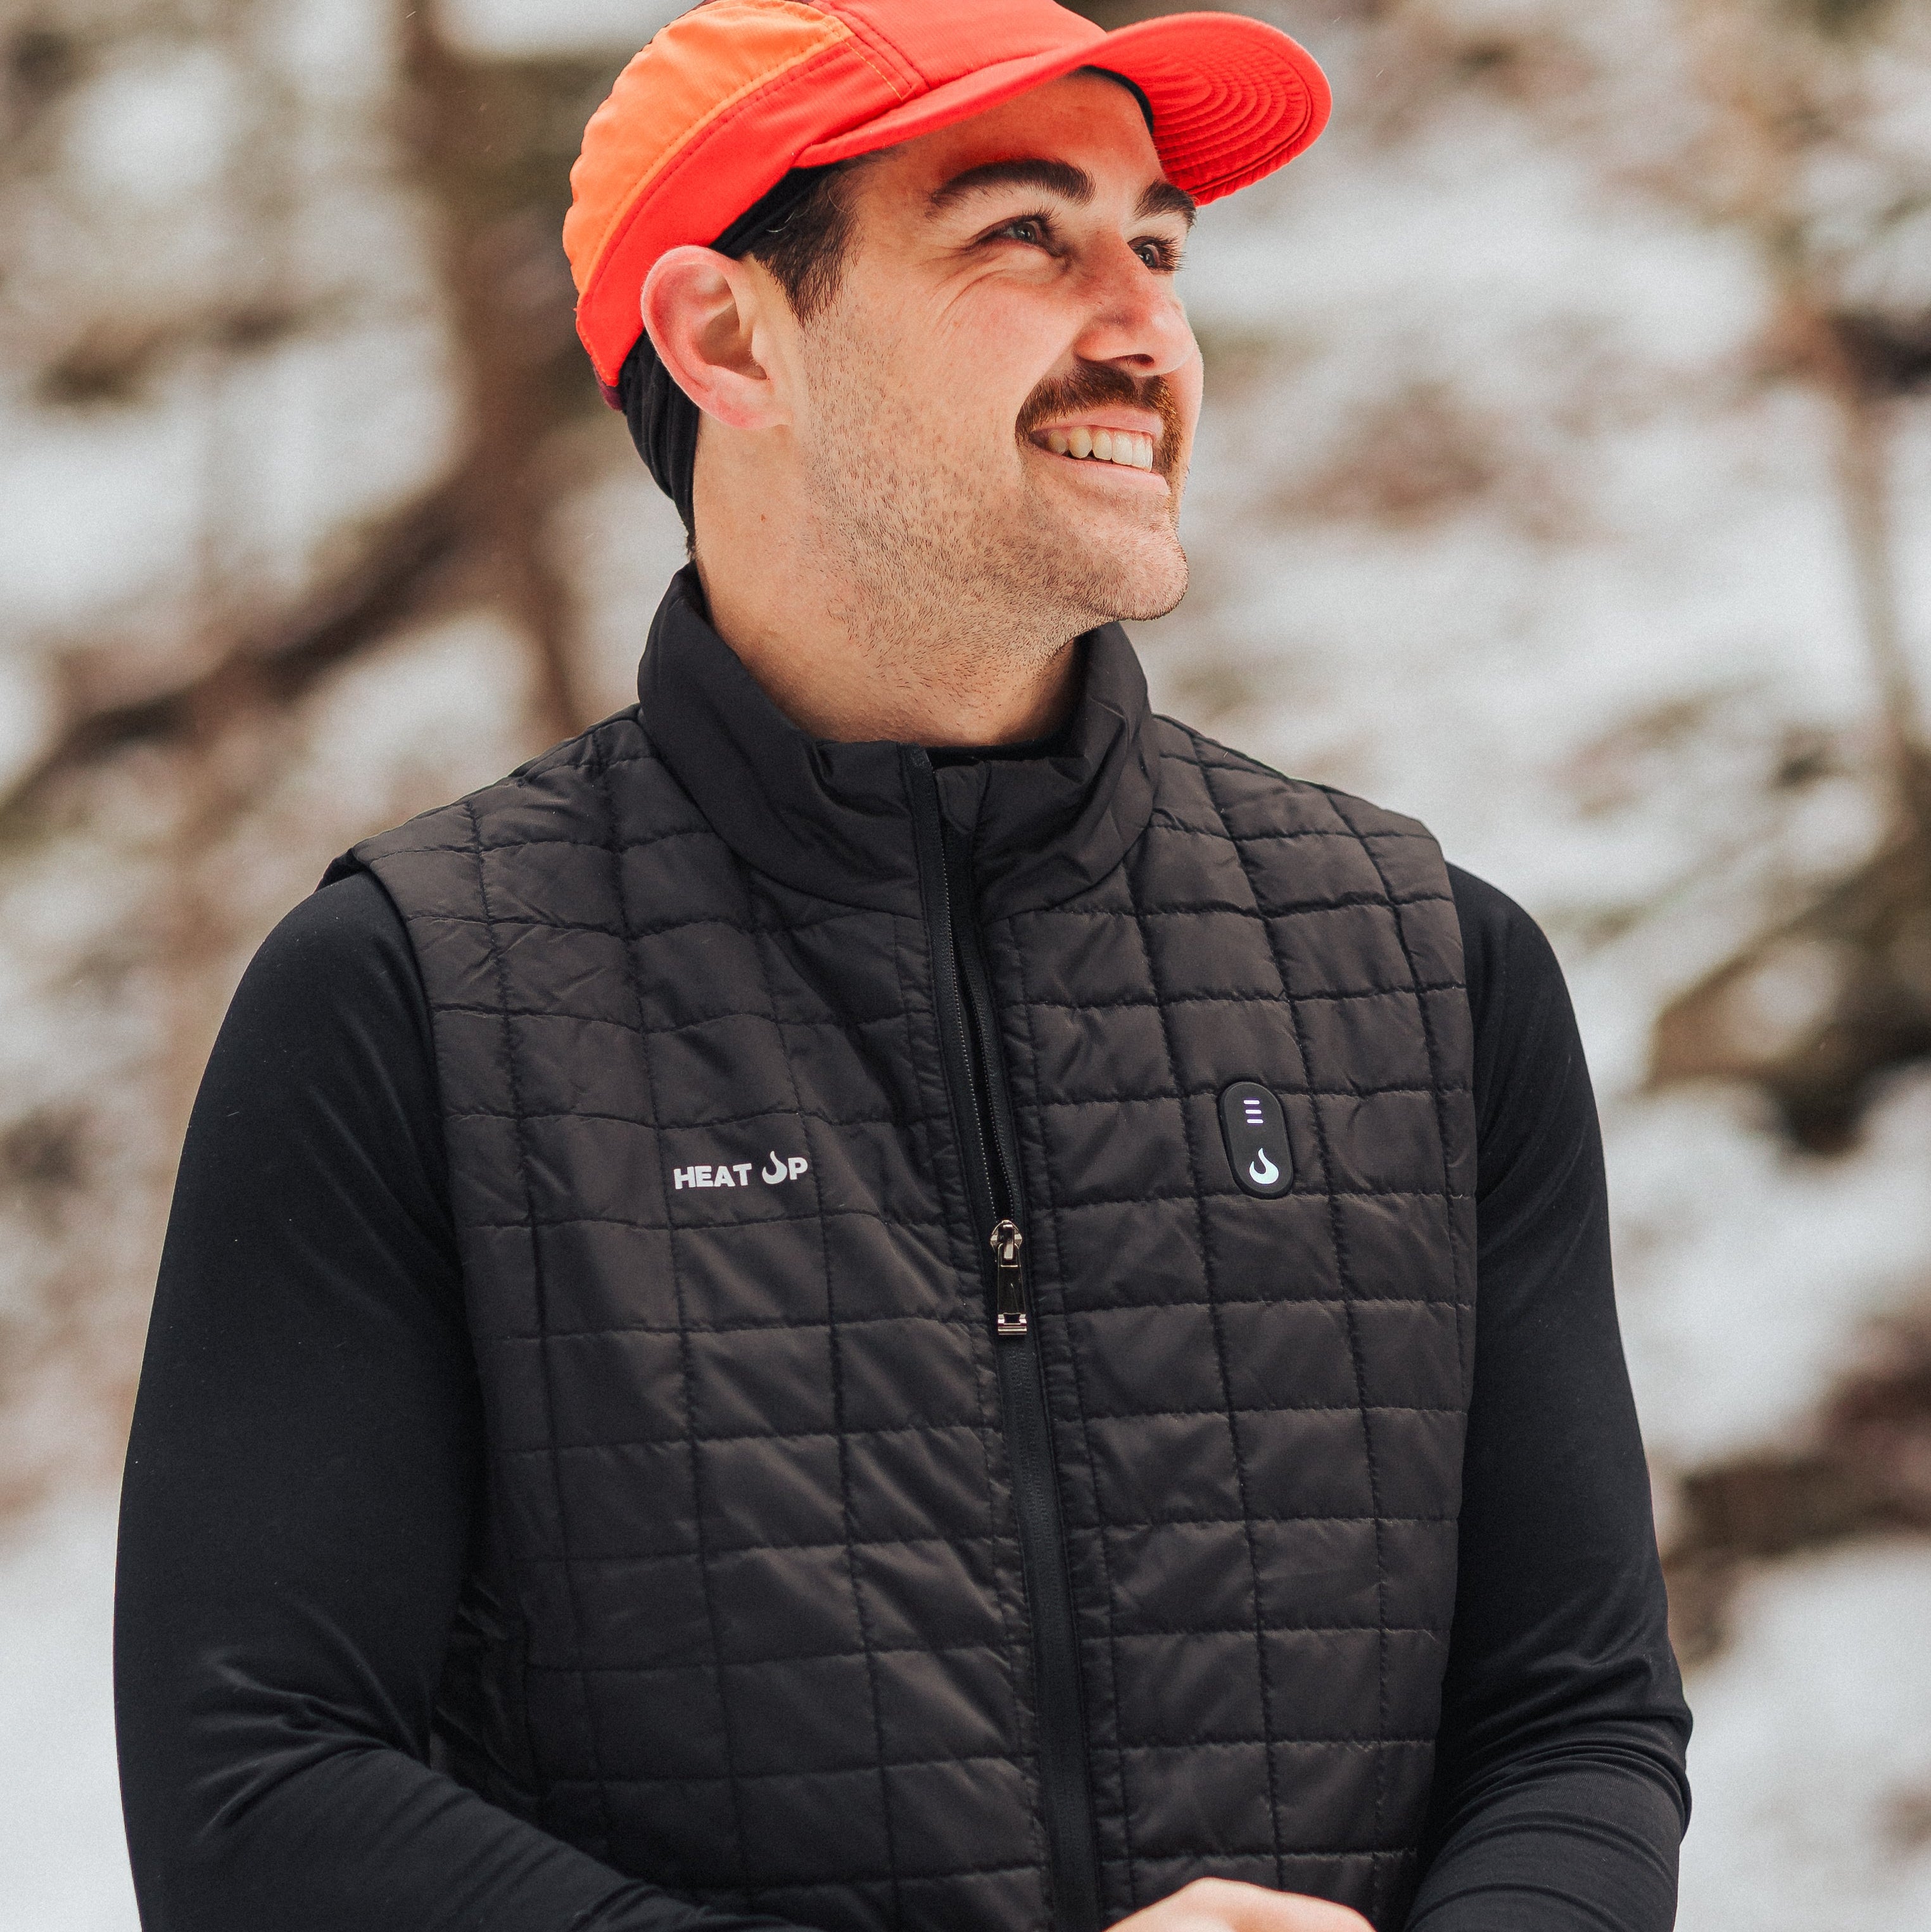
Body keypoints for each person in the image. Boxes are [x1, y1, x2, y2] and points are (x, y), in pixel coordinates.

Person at [113, 3, 1690, 1930]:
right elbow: (258, 1797)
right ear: (725, 337)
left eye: (1160, 243)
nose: (1144, 325)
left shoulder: (1426, 968)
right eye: (1025, 234)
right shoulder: (411, 1000)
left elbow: (1578, 1722)